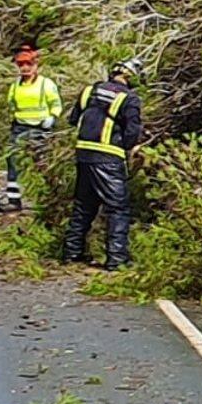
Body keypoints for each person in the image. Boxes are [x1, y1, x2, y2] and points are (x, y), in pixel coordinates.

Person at [61, 59, 143, 270]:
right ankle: (117, 260)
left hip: (83, 154)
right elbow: (132, 133)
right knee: (118, 208)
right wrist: (127, 148)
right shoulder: (129, 99)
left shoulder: (89, 90)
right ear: (131, 77)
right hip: (108, 158)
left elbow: (73, 119)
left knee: (84, 204)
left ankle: (72, 253)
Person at [3, 43, 62, 212]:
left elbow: (56, 104)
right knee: (13, 160)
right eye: (21, 65)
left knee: (42, 163)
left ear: (36, 65)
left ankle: (51, 199)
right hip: (19, 127)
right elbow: (12, 105)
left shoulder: (46, 84)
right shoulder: (15, 86)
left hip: (41, 129)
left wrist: (52, 117)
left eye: (29, 64)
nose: (25, 68)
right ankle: (13, 200)